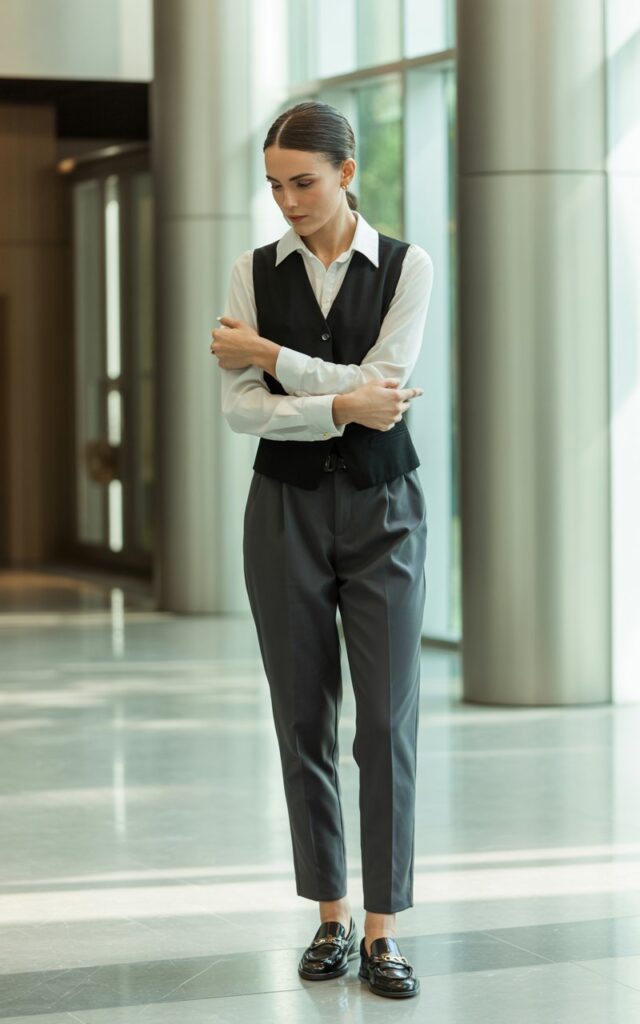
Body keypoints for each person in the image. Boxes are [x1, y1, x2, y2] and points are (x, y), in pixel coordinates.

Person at [210, 101, 433, 1000]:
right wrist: (338, 404)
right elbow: (238, 410)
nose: (287, 200)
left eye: (302, 181)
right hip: (284, 512)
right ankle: (331, 916)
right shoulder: (250, 270)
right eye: (274, 184)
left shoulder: (409, 265)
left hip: (386, 507)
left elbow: (392, 386)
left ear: (347, 173)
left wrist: (273, 354)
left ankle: (385, 930)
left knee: (384, 723)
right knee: (302, 717)